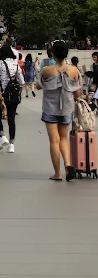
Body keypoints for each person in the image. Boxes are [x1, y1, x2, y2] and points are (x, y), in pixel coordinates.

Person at [37, 41, 82, 181]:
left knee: (54, 141)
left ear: (53, 54)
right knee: (64, 138)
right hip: (66, 109)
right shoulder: (74, 70)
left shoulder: (46, 70)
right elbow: (77, 93)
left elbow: (39, 86)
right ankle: (68, 164)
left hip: (50, 108)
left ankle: (57, 173)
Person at [0, 45, 25, 153]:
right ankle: (12, 144)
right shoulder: (16, 65)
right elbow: (21, 82)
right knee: (11, 119)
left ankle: (2, 136)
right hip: (13, 95)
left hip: (1, 94)